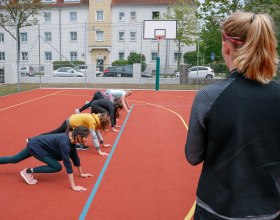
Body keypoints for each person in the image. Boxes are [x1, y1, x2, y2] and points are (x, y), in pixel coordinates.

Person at [185, 11, 280, 219]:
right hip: (268, 209)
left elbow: (193, 156)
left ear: (226, 46)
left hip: (215, 208)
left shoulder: (208, 96)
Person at [0, 126, 93, 191]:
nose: (87, 139)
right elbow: (67, 163)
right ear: (79, 137)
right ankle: (28, 171)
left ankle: (28, 171)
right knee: (57, 167)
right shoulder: (65, 142)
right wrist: (73, 186)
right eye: (86, 137)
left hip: (36, 143)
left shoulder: (72, 140)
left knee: (14, 159)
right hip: (36, 147)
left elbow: (75, 157)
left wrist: (81, 173)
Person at [28, 113, 111, 156]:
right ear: (103, 123)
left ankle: (78, 145)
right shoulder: (92, 121)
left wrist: (103, 143)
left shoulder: (97, 119)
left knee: (59, 136)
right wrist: (99, 151)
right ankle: (33, 139)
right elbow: (94, 136)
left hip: (74, 123)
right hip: (70, 123)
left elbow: (97, 132)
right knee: (54, 133)